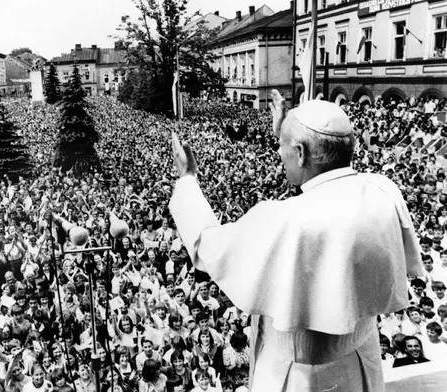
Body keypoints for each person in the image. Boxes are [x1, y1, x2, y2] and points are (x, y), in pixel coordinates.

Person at [169, 90, 423, 391]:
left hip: (299, 377)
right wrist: (287, 132)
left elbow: (206, 246)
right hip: (361, 363)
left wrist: (186, 180)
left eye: (281, 146)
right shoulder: (384, 191)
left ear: (301, 153)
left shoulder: (280, 219)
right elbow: (322, 201)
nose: (278, 153)